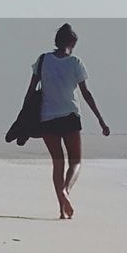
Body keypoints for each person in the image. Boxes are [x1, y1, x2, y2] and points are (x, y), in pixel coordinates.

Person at [29, 23, 109, 219]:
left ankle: (61, 209)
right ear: (72, 43)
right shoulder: (75, 63)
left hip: (47, 118)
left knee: (58, 163)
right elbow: (86, 94)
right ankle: (66, 191)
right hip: (70, 116)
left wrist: (24, 119)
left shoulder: (43, 60)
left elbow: (30, 91)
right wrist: (100, 120)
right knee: (76, 162)